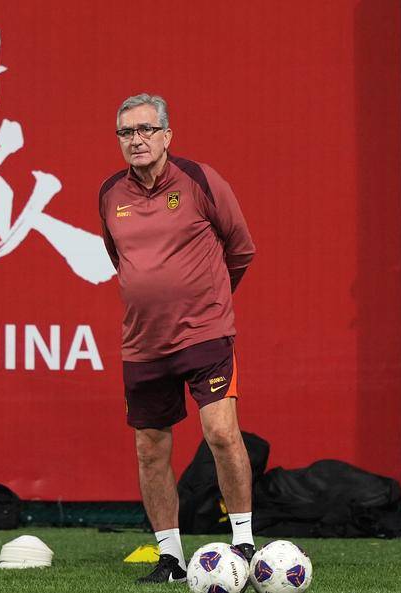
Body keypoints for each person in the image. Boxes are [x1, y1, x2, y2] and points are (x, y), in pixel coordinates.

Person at [98, 93, 256, 584]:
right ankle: (170, 559)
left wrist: (211, 302)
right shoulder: (110, 194)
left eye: (146, 129)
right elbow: (121, 261)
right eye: (127, 132)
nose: (136, 140)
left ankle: (244, 544)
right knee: (150, 449)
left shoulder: (200, 181)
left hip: (206, 334)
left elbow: (241, 248)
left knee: (222, 434)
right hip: (143, 343)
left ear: (167, 135)